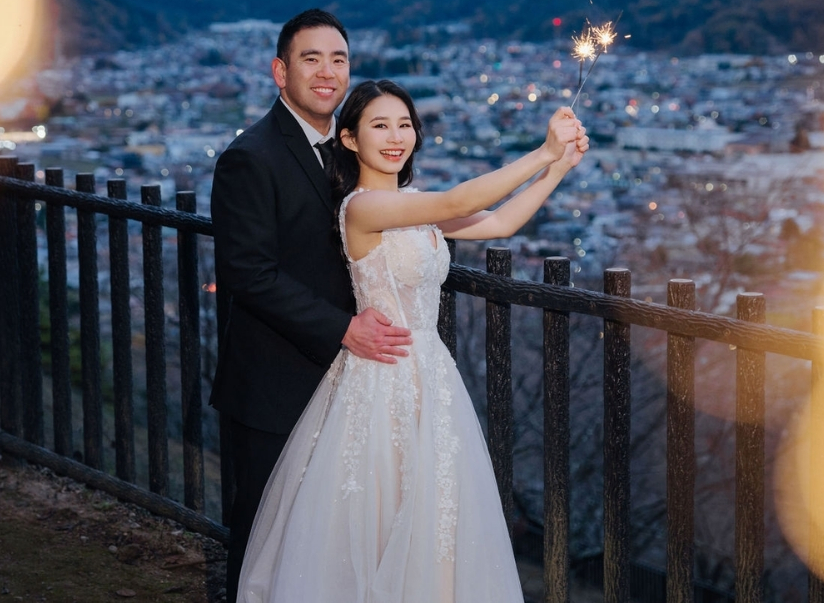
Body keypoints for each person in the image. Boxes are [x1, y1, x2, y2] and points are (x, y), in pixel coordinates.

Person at [236, 80, 589, 602]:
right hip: (380, 379)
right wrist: (542, 150)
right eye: (380, 125)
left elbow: (501, 221)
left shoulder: (412, 205)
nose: (396, 136)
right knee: (379, 514)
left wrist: (559, 168)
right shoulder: (362, 209)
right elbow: (461, 198)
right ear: (351, 139)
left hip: (432, 377)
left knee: (433, 517)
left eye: (404, 124)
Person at [210, 11, 413, 603]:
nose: (328, 72)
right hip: (276, 380)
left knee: (326, 542)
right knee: (262, 538)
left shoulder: (352, 152)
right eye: (311, 58)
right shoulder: (251, 156)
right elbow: (248, 273)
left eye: (339, 59)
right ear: (281, 71)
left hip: (351, 386)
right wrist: (343, 329)